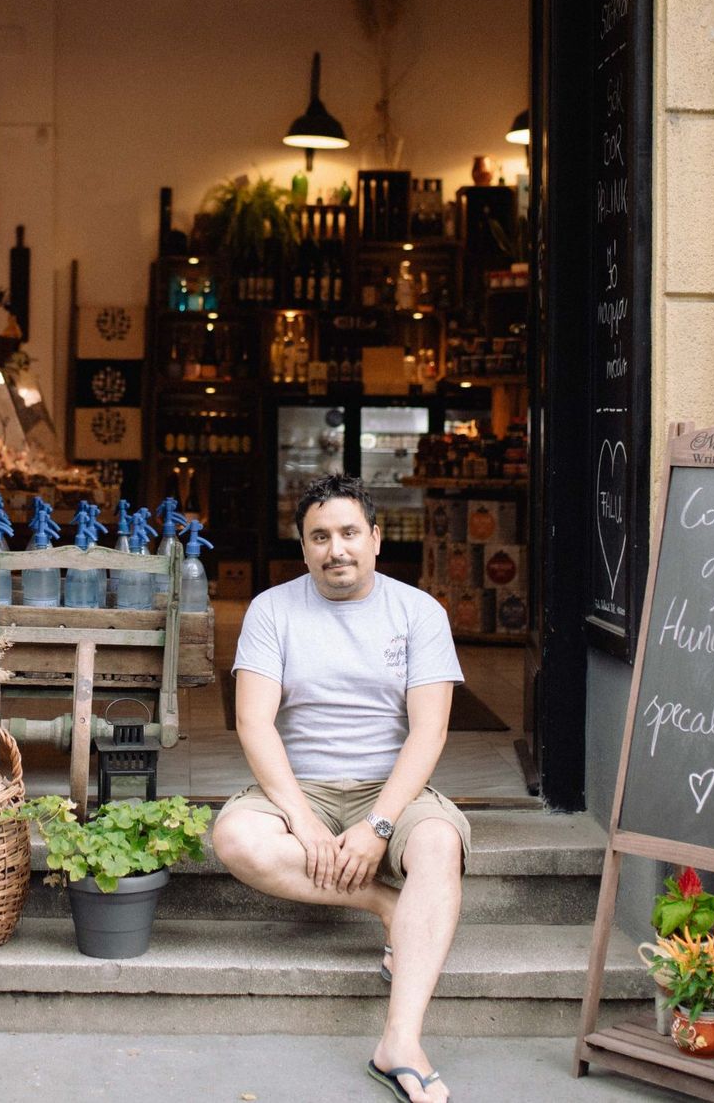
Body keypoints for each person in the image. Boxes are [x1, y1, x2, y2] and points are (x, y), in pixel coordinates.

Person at [212, 473, 469, 1103]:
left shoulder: (419, 612)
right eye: (320, 537)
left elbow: (428, 733)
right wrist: (303, 820)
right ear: (302, 548)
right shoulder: (272, 610)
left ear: (376, 538)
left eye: (350, 533)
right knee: (236, 838)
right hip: (302, 785)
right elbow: (253, 722)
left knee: (436, 847)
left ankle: (399, 1043)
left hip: (394, 787)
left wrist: (380, 825)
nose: (337, 549)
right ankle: (387, 907)